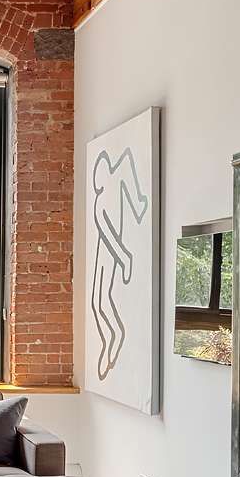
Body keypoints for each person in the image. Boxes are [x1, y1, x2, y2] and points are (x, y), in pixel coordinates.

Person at [90, 146, 149, 380]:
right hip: (108, 251)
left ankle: (113, 337)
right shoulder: (116, 184)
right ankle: (112, 338)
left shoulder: (103, 200)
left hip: (107, 253)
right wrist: (138, 203)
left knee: (98, 301)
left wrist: (124, 259)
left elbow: (109, 236)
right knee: (98, 302)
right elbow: (124, 162)